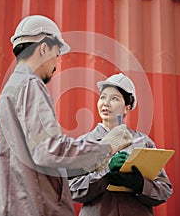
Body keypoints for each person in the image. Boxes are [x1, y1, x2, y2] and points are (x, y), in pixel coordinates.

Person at [0, 15, 133, 216]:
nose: (56, 65)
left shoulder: (11, 89)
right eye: (57, 54)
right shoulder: (31, 85)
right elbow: (49, 150)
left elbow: (38, 157)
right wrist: (106, 147)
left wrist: (94, 163)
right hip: (34, 208)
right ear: (43, 48)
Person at [69, 73, 173, 216]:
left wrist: (139, 184)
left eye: (114, 98)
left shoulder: (143, 143)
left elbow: (164, 190)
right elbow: (72, 190)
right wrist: (105, 175)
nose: (105, 103)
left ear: (127, 108)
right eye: (103, 97)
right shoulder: (83, 143)